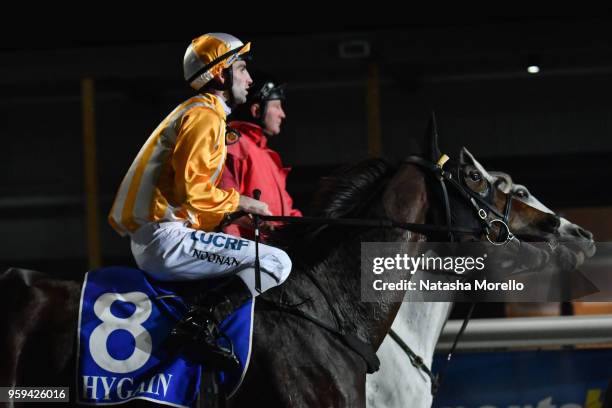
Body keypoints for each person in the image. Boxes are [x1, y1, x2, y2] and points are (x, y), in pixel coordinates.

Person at [107, 33, 292, 370]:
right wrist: (245, 204)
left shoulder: (203, 113)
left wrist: (232, 215)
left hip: (164, 233)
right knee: (277, 263)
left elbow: (192, 198)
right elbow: (195, 191)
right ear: (221, 74)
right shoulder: (205, 115)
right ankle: (198, 326)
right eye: (242, 69)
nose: (249, 79)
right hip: (165, 237)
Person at [220, 77, 302, 240]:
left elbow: (286, 211)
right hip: (250, 257)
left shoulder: (267, 155)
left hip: (274, 252)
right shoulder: (235, 145)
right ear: (256, 111)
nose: (282, 114)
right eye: (277, 107)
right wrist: (233, 256)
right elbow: (225, 208)